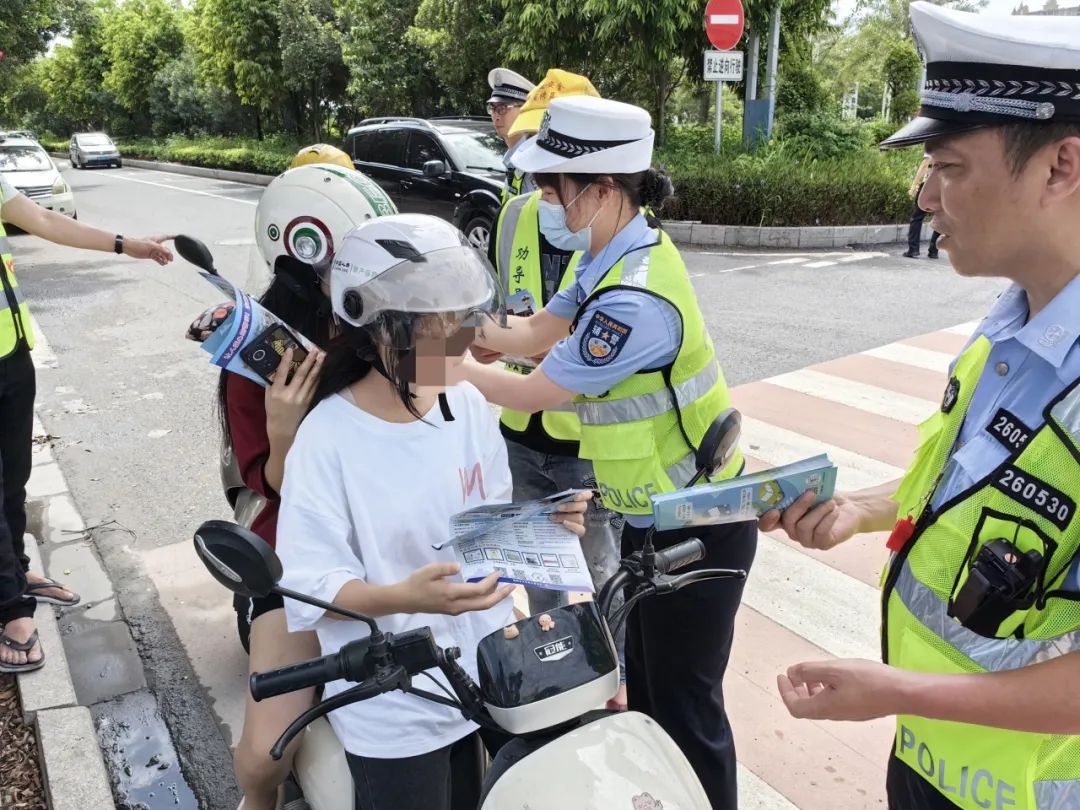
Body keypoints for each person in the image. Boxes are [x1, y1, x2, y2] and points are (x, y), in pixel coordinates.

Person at [762, 4, 1080, 809]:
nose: (924, 197)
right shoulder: (1015, 322)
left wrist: (899, 690)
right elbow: (967, 488)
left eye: (948, 167)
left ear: (1061, 165)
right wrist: (857, 510)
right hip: (932, 764)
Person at [457, 95, 757, 808]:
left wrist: (440, 364)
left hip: (699, 529)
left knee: (686, 712)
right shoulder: (613, 249)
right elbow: (532, 336)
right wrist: (461, 328)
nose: (542, 200)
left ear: (601, 189)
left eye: (551, 187)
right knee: (649, 698)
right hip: (654, 524)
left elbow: (535, 391)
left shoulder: (634, 300)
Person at [273, 213, 590, 810]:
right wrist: (406, 598)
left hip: (478, 671)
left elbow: (480, 523)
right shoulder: (329, 438)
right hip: (390, 701)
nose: (462, 341)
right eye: (435, 326)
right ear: (375, 327)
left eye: (462, 320)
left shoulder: (466, 404)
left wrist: (535, 527)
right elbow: (310, 585)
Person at [194, 160, 400, 810]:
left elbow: (441, 408)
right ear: (306, 254)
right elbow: (278, 489)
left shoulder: (385, 328)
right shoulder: (256, 361)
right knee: (262, 758)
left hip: (385, 535)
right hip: (301, 556)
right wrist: (285, 430)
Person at [477, 68, 633, 707]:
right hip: (522, 436)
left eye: (552, 167)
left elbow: (581, 350)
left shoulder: (624, 246)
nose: (542, 184)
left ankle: (616, 686)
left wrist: (453, 362)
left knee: (604, 575)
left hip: (589, 444)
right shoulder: (516, 214)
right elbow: (508, 315)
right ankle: (553, 682)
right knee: (535, 572)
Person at [0, 177, 173, 673]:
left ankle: (15, 572)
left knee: (15, 481)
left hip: (12, 352)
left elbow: (47, 220)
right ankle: (11, 609)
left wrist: (127, 245)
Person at [487, 67, 535, 203]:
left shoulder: (532, 164)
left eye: (502, 108)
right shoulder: (514, 160)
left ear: (525, 110)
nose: (496, 116)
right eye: (493, 108)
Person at [902, 154, 941, 259]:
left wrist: (914, 185)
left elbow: (925, 164)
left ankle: (913, 249)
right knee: (941, 218)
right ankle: (934, 250)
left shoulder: (932, 141)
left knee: (917, 217)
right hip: (947, 185)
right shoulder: (955, 142)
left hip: (930, 185)